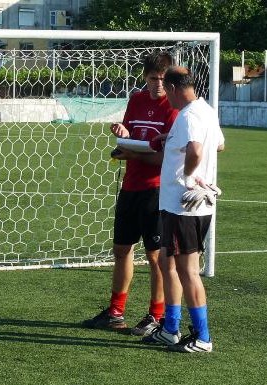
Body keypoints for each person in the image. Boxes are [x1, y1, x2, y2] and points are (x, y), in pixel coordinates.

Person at [82, 52, 178, 336]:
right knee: (122, 250)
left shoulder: (172, 108)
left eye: (163, 79)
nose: (158, 85)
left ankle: (156, 316)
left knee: (155, 256)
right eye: (153, 79)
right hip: (130, 187)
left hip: (156, 190)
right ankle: (115, 313)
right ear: (144, 77)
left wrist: (131, 154)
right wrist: (122, 131)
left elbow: (166, 159)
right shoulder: (136, 100)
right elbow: (130, 136)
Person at [142, 66, 224, 353]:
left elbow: (197, 151)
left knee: (188, 271)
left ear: (176, 88)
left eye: (168, 90)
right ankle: (170, 329)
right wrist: (172, 142)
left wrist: (189, 177)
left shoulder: (189, 115)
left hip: (185, 205)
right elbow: (220, 145)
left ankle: (203, 338)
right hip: (181, 205)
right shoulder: (206, 111)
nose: (167, 97)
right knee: (167, 262)